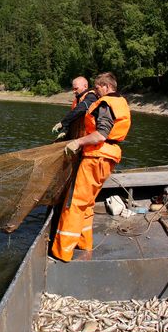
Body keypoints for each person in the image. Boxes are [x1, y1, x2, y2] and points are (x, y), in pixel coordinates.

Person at [51, 72, 131, 262]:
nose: (95, 91)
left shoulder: (105, 104)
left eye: (97, 87)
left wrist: (77, 142)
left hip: (96, 156)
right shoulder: (121, 102)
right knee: (87, 203)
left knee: (75, 203)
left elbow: (101, 134)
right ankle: (83, 243)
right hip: (108, 157)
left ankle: (62, 252)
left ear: (106, 87)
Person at [51, 76, 98, 141]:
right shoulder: (77, 100)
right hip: (78, 137)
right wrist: (65, 130)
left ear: (85, 86)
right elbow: (73, 117)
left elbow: (80, 109)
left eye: (76, 89)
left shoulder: (91, 97)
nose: (74, 91)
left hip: (91, 139)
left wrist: (62, 123)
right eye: (73, 89)